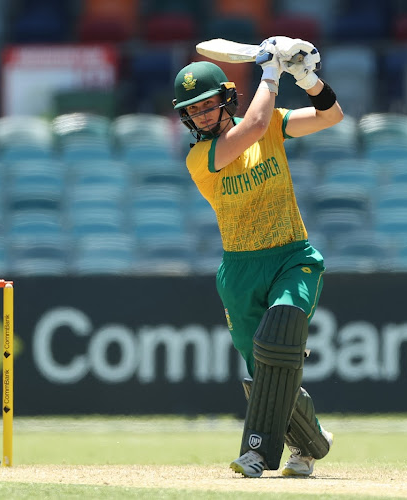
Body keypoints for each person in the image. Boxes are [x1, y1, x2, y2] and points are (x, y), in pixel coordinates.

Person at [172, 37, 343, 477]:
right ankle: (311, 442)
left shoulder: (271, 125)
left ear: (227, 99)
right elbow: (250, 127)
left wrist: (306, 77)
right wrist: (272, 70)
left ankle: (257, 454)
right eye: (192, 110)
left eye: (208, 105)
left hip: (292, 256)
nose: (201, 115)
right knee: (262, 375)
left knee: (281, 328)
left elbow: (331, 116)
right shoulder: (200, 158)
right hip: (239, 271)